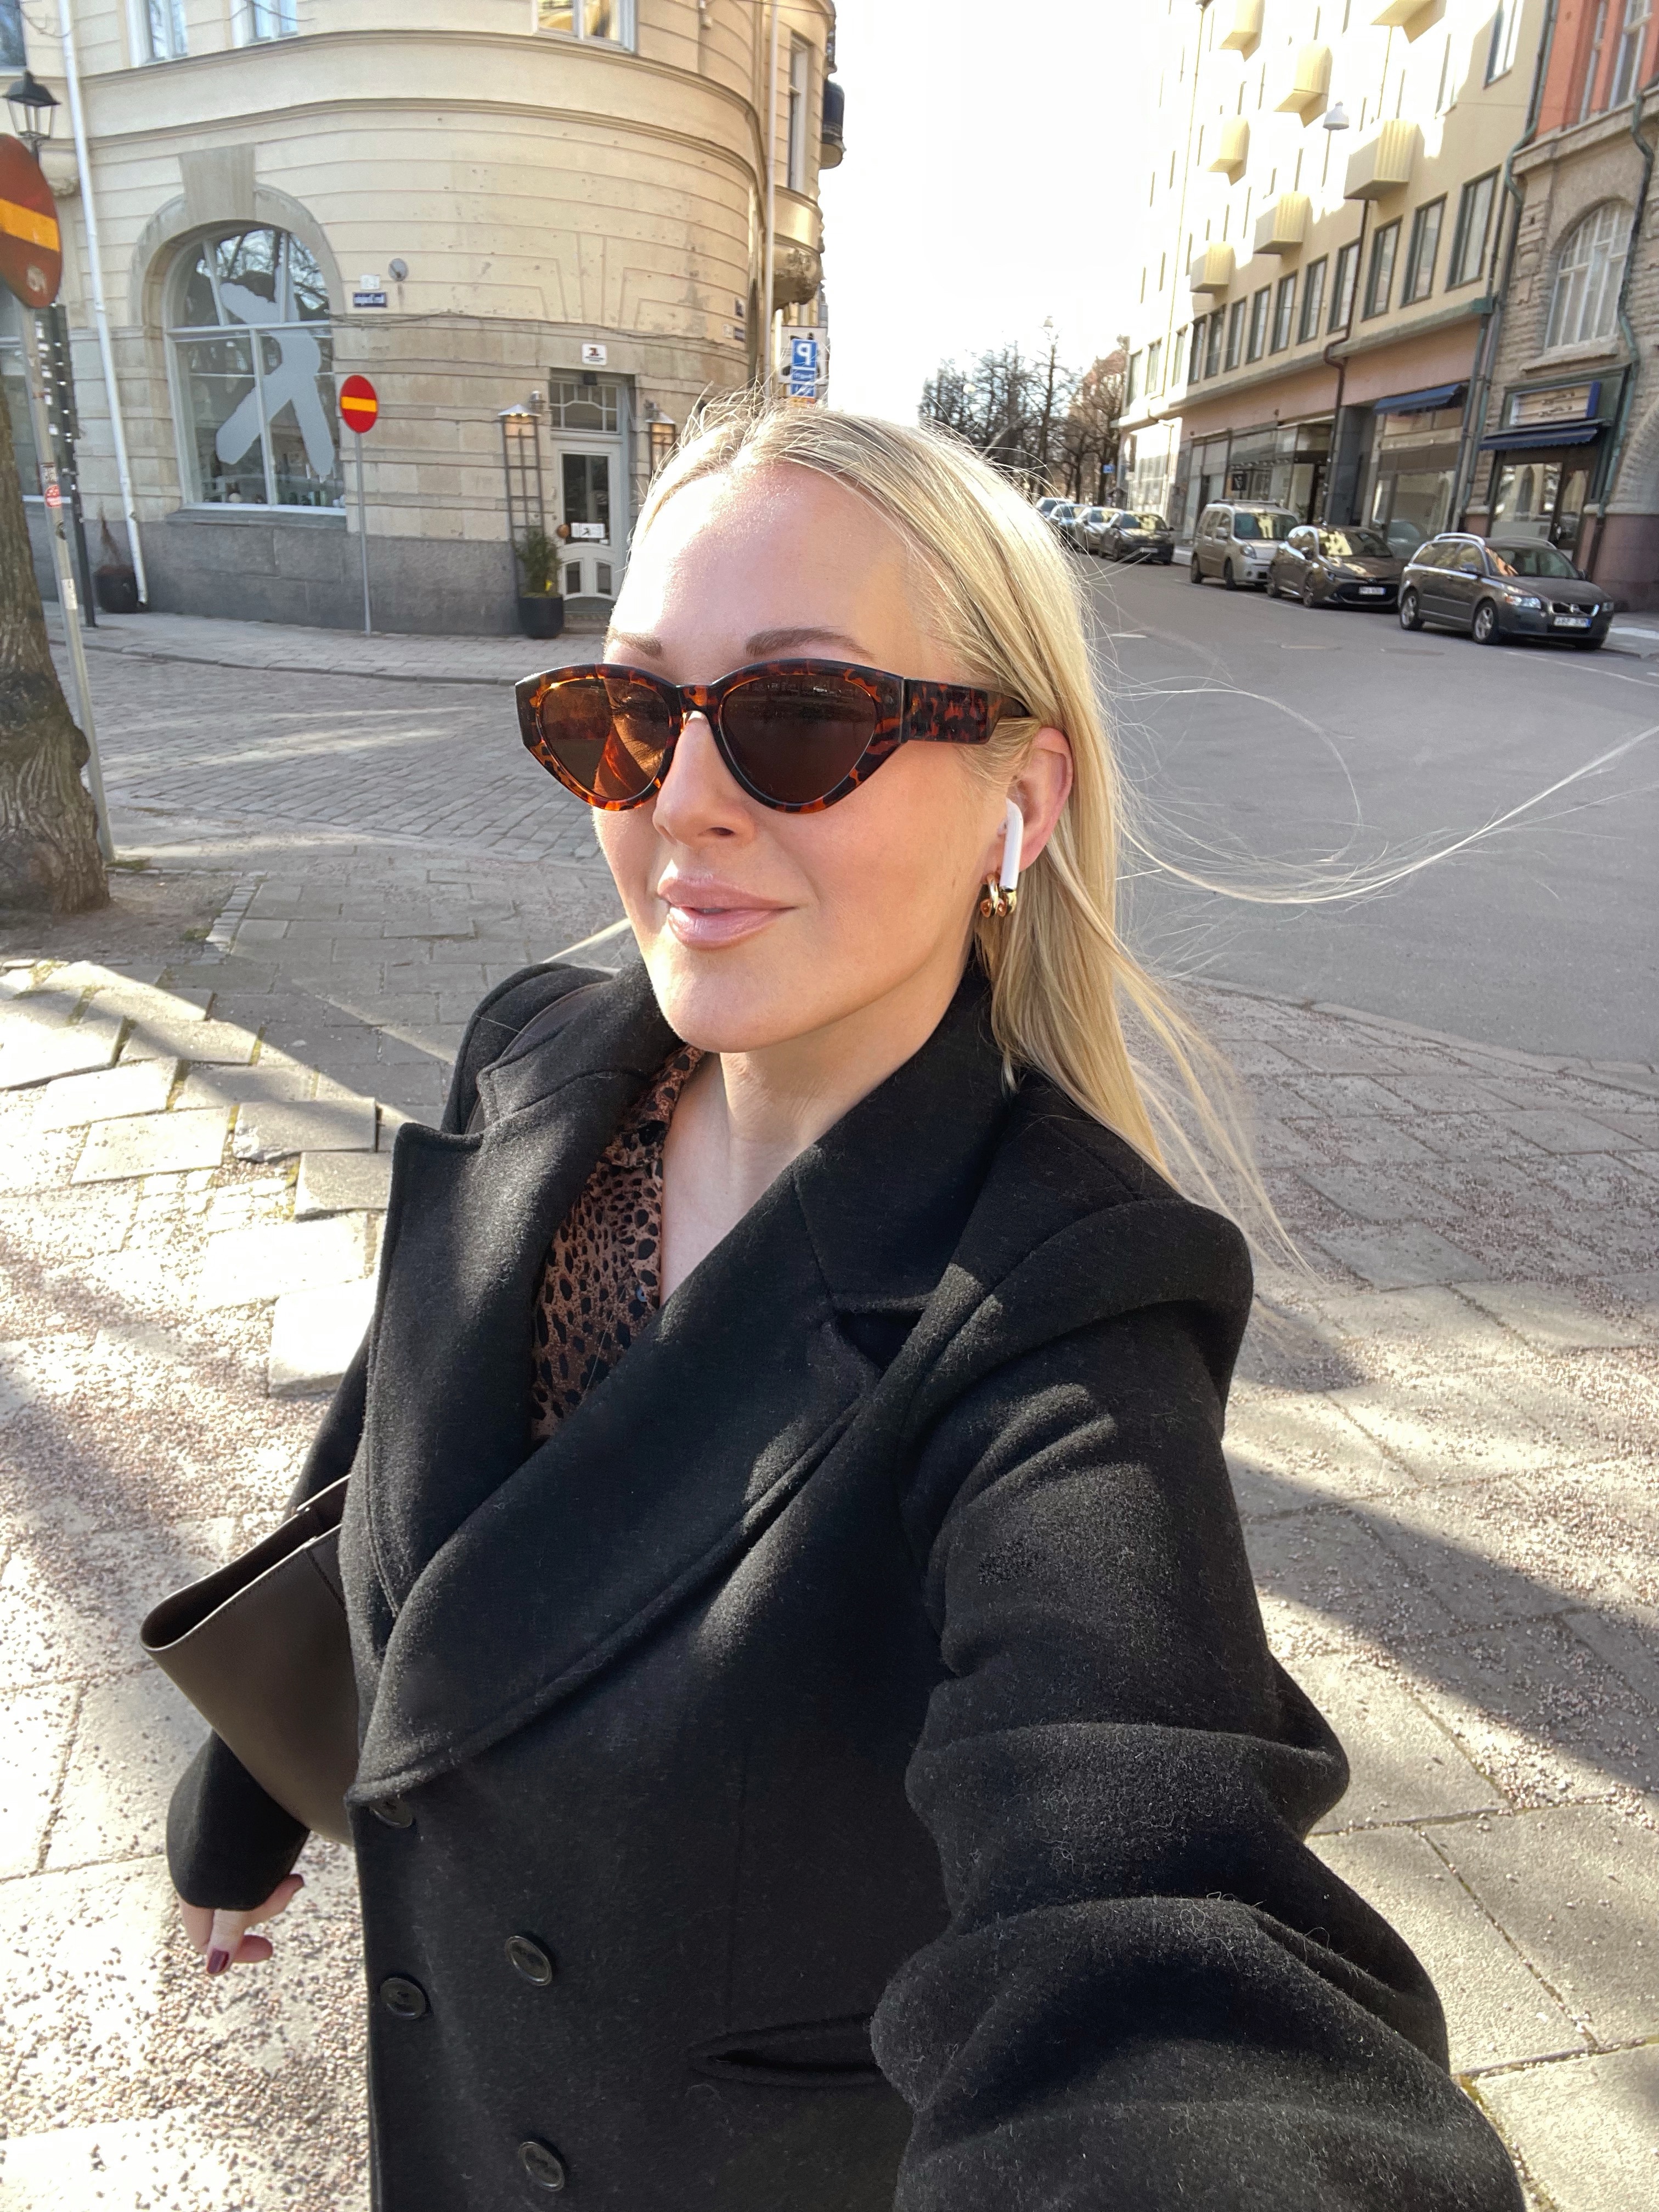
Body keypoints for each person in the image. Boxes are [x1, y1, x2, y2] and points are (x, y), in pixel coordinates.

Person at [165, 403, 1523, 2210]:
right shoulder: (538, 1052)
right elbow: (395, 1440)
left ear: (1018, 801)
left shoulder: (1068, 1301)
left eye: (799, 718)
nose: (681, 802)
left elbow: (1157, 1913)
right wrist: (247, 1787)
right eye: (624, 717)